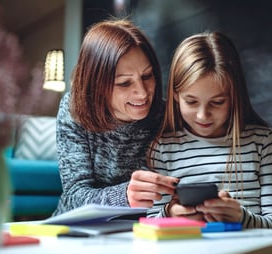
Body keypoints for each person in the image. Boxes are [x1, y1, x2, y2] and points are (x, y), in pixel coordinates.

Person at [146, 31, 272, 229]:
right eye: (191, 101)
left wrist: (241, 217)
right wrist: (170, 213)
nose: (203, 115)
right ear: (176, 95)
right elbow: (149, 225)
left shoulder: (262, 140)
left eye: (217, 102)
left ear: (234, 96)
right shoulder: (163, 147)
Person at [53, 19, 178, 215]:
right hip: (77, 227)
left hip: (144, 228)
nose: (143, 93)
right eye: (124, 83)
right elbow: (74, 196)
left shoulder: (164, 115)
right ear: (96, 83)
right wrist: (125, 196)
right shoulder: (74, 110)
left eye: (147, 77)